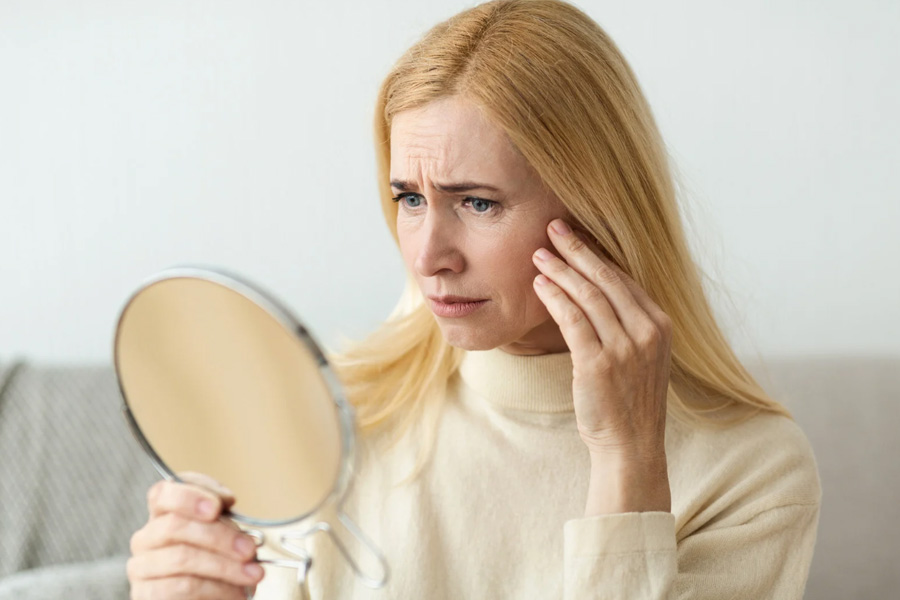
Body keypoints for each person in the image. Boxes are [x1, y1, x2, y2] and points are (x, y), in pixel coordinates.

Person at [126, 0, 821, 598]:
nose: (428, 256)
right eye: (410, 199)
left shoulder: (753, 473)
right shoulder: (331, 429)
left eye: (478, 203)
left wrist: (626, 462)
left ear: (598, 211)